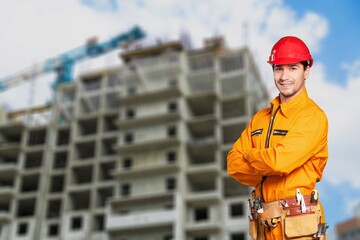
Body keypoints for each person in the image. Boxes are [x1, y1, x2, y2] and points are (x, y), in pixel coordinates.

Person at [227, 36, 328, 240]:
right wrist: (264, 168)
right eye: (278, 68)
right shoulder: (260, 119)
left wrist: (250, 156)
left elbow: (278, 162)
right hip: (265, 225)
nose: (284, 76)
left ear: (306, 71)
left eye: (293, 68)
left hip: (299, 228)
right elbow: (233, 164)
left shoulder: (312, 117)